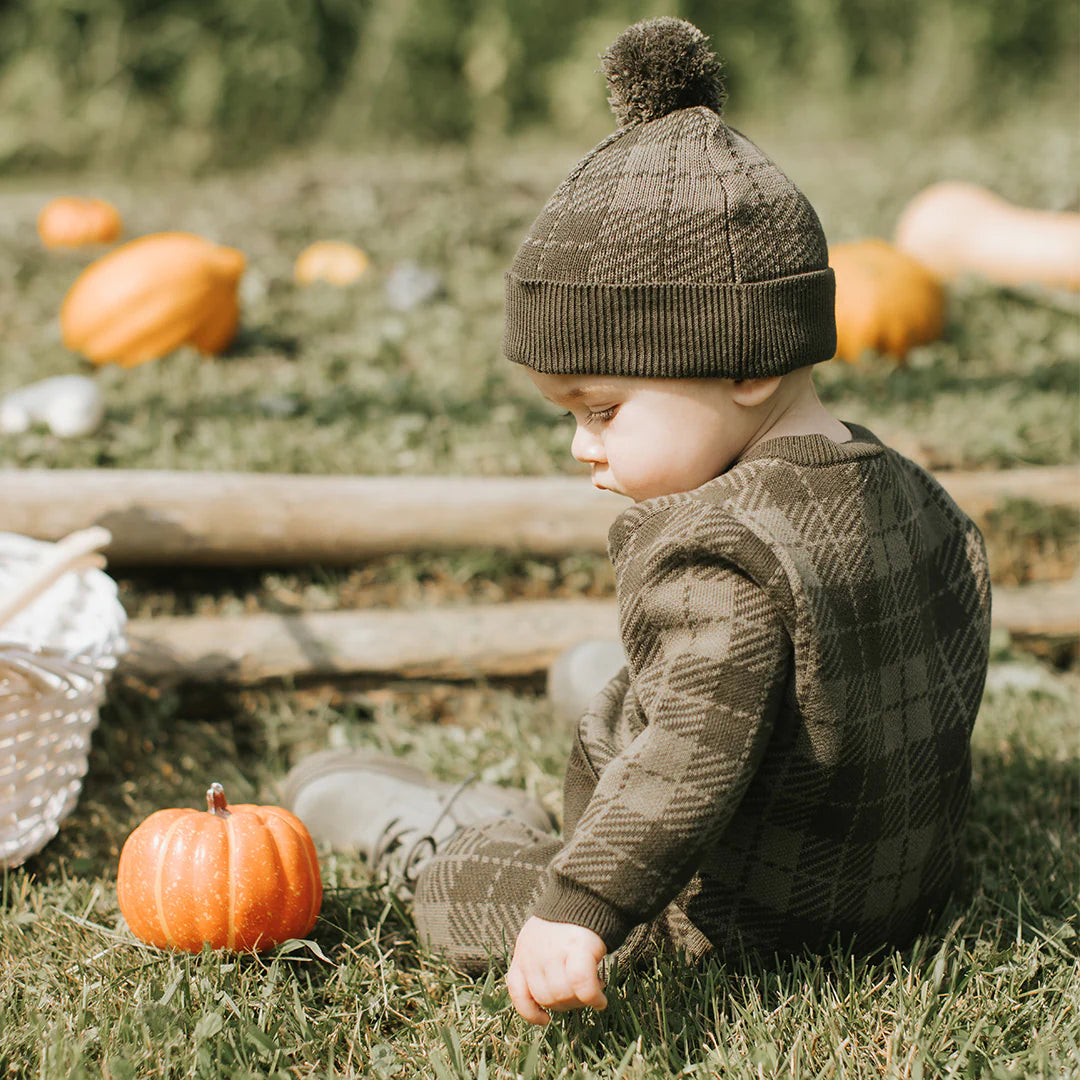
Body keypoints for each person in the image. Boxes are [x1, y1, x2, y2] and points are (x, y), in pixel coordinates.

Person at [283, 16, 992, 1026]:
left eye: (603, 409)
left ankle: (458, 830)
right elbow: (942, 671)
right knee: (698, 675)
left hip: (731, 909)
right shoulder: (914, 490)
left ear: (746, 362)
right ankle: (636, 692)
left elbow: (688, 763)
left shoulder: (721, 556)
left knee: (469, 895)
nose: (584, 445)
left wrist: (581, 909)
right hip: (899, 880)